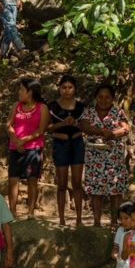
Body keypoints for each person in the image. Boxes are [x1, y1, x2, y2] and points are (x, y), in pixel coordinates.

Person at [80, 83, 132, 228]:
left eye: (107, 97)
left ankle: (114, 222)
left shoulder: (118, 112)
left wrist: (113, 134)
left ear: (112, 99)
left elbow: (126, 128)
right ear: (96, 98)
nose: (103, 100)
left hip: (114, 156)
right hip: (94, 155)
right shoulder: (89, 112)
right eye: (100, 97)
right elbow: (84, 126)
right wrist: (102, 131)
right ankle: (97, 222)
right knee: (96, 189)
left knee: (115, 189)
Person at [6, 77, 49, 218]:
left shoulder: (42, 108)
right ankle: (12, 212)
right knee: (13, 180)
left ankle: (30, 212)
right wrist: (15, 140)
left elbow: (41, 130)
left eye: (21, 89)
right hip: (15, 148)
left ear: (30, 92)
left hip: (34, 149)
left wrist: (23, 140)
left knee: (32, 180)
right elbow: (8, 125)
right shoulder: (16, 106)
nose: (19, 92)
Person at [49, 74, 87, 227]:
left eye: (70, 87)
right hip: (60, 144)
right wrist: (63, 123)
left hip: (77, 143)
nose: (67, 90)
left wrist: (76, 123)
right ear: (59, 88)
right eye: (64, 87)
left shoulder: (81, 107)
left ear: (75, 89)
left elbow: (86, 127)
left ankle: (79, 219)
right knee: (62, 183)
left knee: (77, 183)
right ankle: (62, 219)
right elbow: (46, 128)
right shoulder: (52, 106)